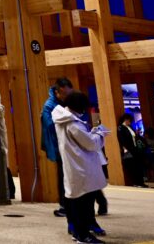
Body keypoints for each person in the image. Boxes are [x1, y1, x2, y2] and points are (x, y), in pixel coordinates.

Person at [54, 91, 109, 244]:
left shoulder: (62, 120)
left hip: (73, 166)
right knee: (84, 203)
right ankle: (83, 235)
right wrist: (100, 134)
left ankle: (78, 232)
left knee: (76, 201)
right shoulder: (73, 124)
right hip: (81, 167)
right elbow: (91, 144)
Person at [42, 77, 75, 217]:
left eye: (69, 93)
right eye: (65, 94)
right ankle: (64, 206)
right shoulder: (49, 105)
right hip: (60, 145)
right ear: (57, 92)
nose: (67, 96)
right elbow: (50, 126)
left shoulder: (70, 101)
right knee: (64, 175)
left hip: (73, 144)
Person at [117, 113, 148, 187]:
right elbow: (121, 139)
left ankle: (140, 182)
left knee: (138, 166)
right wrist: (125, 148)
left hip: (135, 149)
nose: (130, 122)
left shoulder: (130, 127)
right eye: (129, 120)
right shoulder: (121, 128)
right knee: (133, 167)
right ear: (125, 120)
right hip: (129, 149)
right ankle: (136, 182)